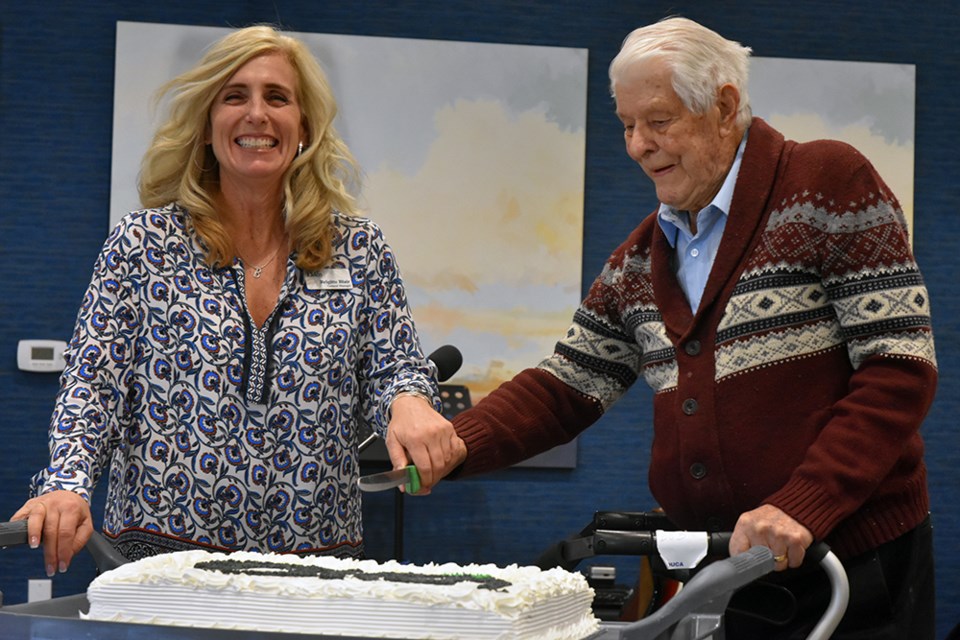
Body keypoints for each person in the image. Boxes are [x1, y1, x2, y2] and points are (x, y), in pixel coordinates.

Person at [394, 16, 938, 640]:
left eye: (657, 121)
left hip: (851, 562)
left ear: (725, 106)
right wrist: (457, 443)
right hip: (729, 568)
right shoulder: (641, 257)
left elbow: (897, 367)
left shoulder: (828, 183)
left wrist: (803, 503)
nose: (636, 146)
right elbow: (566, 384)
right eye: (627, 125)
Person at [12, 25, 457, 577]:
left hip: (317, 572)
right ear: (205, 125)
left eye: (277, 97)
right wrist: (67, 484)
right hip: (163, 567)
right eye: (234, 96)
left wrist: (409, 401)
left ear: (304, 127)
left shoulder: (359, 249)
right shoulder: (145, 242)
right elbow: (93, 384)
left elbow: (395, 368)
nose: (257, 114)